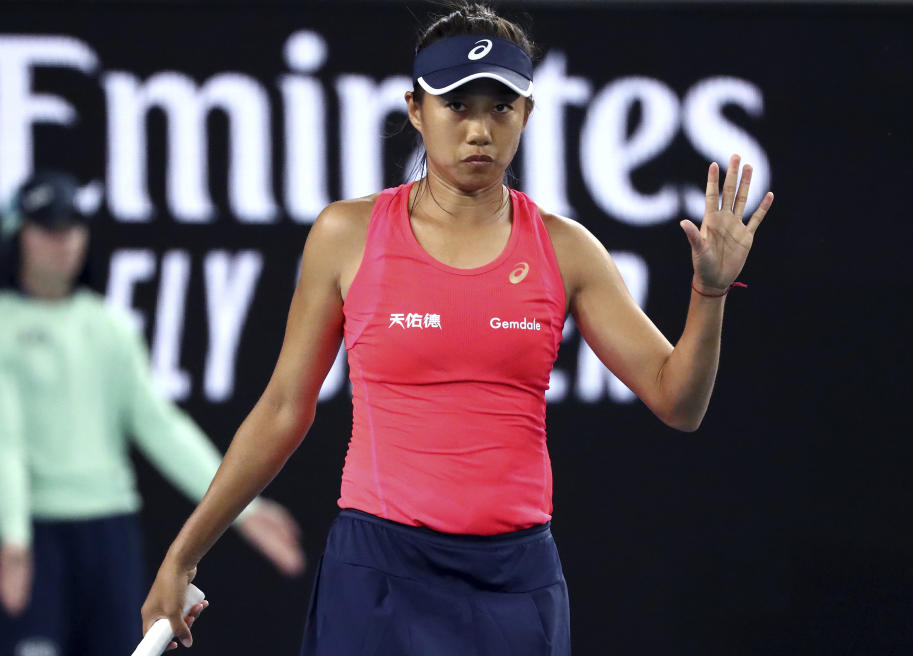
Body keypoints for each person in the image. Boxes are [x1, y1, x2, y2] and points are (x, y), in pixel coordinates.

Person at [140, 3, 776, 654]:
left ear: (527, 114)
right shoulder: (346, 235)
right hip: (376, 572)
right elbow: (282, 409)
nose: (479, 130)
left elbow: (680, 403)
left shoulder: (567, 250)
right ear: (416, 110)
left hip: (514, 583)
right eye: (457, 106)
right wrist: (183, 554)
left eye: (500, 108)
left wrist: (712, 289)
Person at [0, 171, 307, 656]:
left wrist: (245, 510)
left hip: (109, 533)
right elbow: (5, 441)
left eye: (72, 227)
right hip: (36, 538)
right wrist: (12, 536)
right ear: (18, 236)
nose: (63, 242)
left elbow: (162, 426)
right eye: (48, 229)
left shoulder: (109, 327)